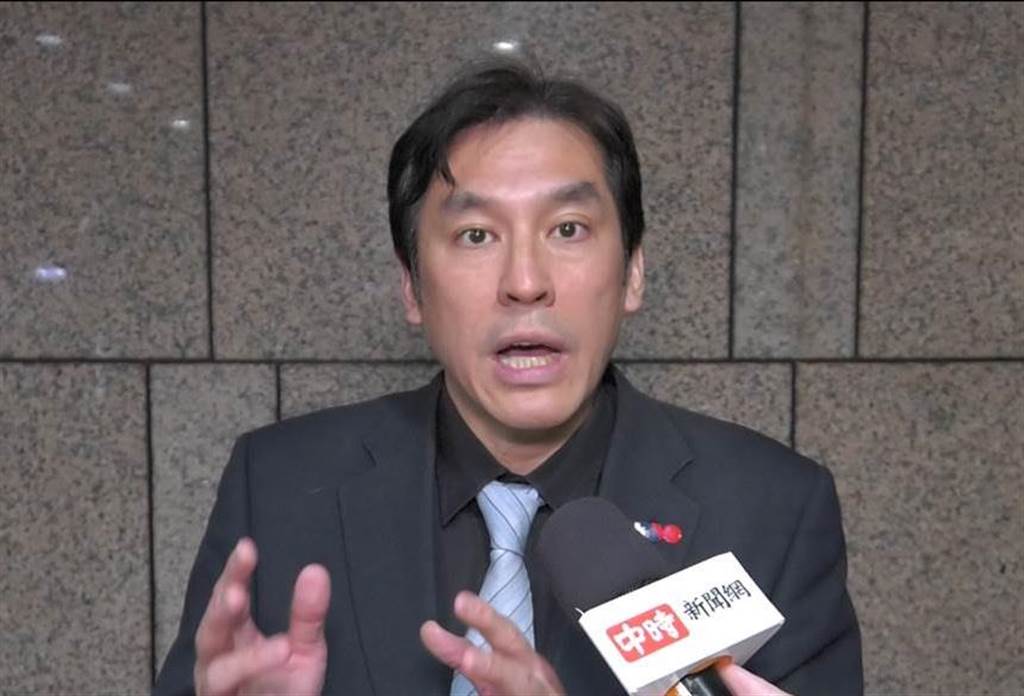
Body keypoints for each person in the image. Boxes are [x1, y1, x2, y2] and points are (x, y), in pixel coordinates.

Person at [154, 58, 862, 696]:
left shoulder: (773, 512)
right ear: (412, 287)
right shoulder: (279, 487)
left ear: (633, 272)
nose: (525, 281)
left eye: (568, 229)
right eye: (476, 235)